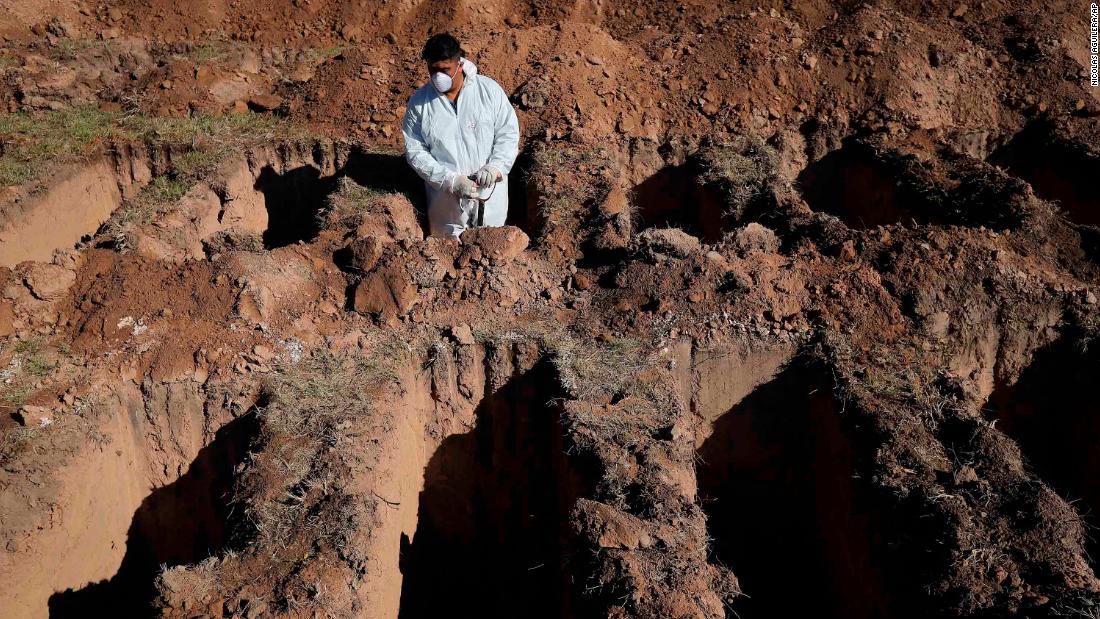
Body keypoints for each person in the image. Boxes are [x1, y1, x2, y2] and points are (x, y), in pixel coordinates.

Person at [401, 33, 520, 240]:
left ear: (459, 64)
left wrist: (496, 167)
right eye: (433, 70)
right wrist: (450, 181)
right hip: (446, 207)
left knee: (491, 249)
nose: (439, 76)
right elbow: (415, 151)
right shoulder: (420, 102)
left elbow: (508, 133)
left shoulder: (488, 91)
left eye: (445, 69)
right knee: (447, 256)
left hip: (489, 198)